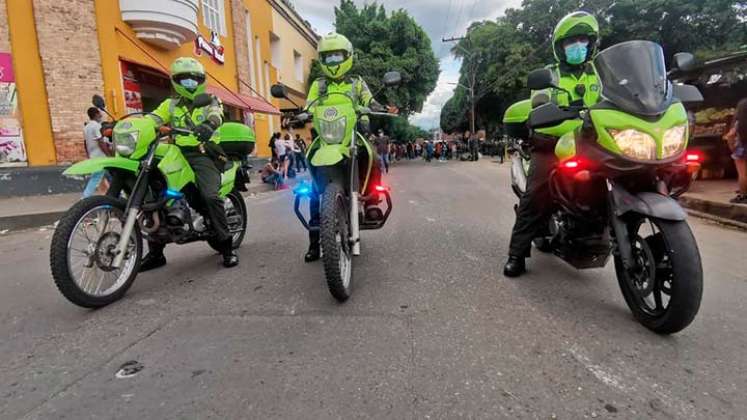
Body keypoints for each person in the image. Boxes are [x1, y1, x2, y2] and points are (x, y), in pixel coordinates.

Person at [504, 11, 602, 277]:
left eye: (583, 39)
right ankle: (517, 253)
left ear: (592, 43)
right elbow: (540, 104)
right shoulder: (550, 75)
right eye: (572, 41)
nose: (578, 46)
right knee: (536, 194)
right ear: (561, 47)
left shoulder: (601, 72)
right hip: (554, 142)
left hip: (597, 140)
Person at [140, 57, 239, 270]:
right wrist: (130, 125)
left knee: (211, 196)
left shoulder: (211, 99)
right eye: (184, 80)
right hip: (175, 152)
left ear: (201, 80)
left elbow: (216, 115)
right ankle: (156, 253)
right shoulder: (170, 104)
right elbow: (152, 119)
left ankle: (227, 247)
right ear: (176, 81)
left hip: (204, 153)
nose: (190, 85)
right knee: (153, 192)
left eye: (194, 80)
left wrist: (209, 125)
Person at [303, 32, 388, 262]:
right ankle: (314, 242)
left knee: (374, 157)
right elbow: (308, 106)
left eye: (337, 57)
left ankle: (370, 201)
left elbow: (369, 100)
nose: (333, 63)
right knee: (312, 185)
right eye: (328, 58)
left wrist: (376, 105)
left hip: (353, 133)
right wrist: (302, 113)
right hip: (327, 138)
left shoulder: (356, 82)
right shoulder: (318, 86)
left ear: (348, 57)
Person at [82, 107, 112, 198]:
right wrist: (108, 155)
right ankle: (84, 198)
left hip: (93, 155)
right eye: (99, 113)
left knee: (107, 176)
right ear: (95, 114)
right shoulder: (97, 126)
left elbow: (85, 143)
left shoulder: (86, 127)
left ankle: (114, 195)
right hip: (100, 156)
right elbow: (101, 142)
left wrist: (88, 154)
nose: (101, 115)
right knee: (96, 177)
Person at [725, 98, 747, 204]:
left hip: (742, 147)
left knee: (743, 173)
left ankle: (743, 195)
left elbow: (731, 135)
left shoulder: (739, 121)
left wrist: (732, 146)